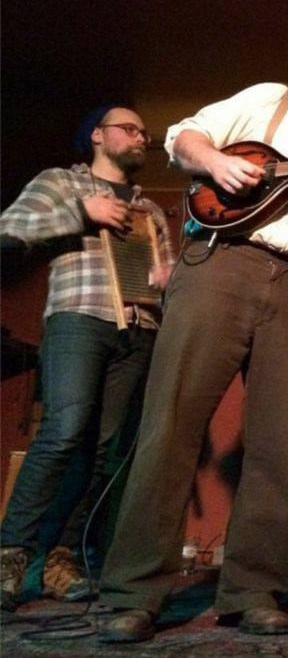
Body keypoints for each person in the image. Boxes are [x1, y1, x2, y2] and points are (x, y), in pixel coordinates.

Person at [96, 34, 288, 643]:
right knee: (170, 423)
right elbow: (185, 136)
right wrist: (214, 161)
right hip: (222, 265)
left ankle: (253, 591)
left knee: (279, 444)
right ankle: (133, 591)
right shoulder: (272, 100)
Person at [0, 106, 175, 611]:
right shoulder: (61, 182)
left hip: (138, 328)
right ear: (98, 135)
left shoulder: (150, 211)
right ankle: (11, 556)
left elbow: (159, 276)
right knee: (63, 432)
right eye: (130, 128)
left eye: (146, 131)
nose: (142, 136)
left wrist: (165, 281)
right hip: (79, 318)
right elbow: (10, 229)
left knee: (102, 451)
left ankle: (60, 559)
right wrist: (83, 214)